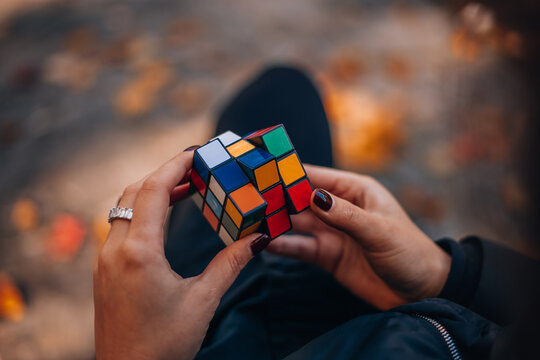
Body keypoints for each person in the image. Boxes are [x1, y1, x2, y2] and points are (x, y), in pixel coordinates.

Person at [93, 67, 540, 359]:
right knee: (286, 90)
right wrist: (449, 274)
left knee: (278, 95)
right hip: (353, 293)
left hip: (217, 334)